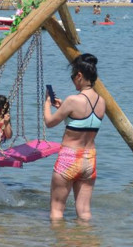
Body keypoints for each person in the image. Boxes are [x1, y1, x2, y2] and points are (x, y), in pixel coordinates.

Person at [44, 54, 105, 221]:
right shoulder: (102, 102)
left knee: (57, 211)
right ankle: (85, 244)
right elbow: (82, 121)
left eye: (73, 77)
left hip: (69, 158)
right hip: (89, 159)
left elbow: (49, 122)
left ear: (79, 75)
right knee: (84, 212)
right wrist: (63, 108)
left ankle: (59, 245)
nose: (72, 80)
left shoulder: (72, 100)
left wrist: (47, 104)